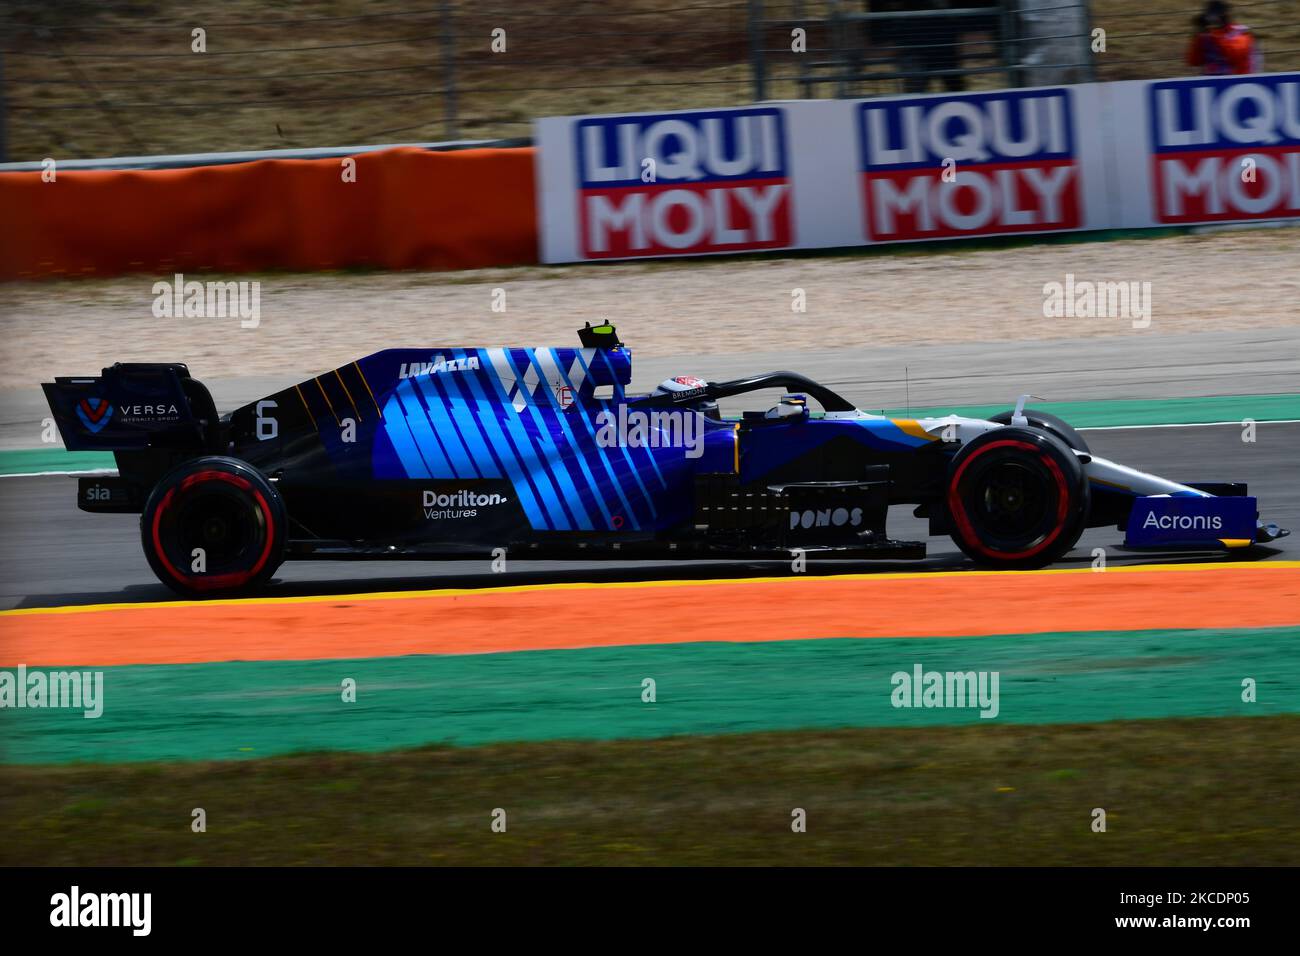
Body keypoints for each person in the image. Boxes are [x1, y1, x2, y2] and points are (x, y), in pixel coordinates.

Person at [1187, 1, 1262, 75]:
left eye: (1215, 16)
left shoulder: (1240, 32)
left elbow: (1235, 56)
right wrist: (1198, 33)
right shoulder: (1206, 35)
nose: (1213, 20)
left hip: (1238, 80)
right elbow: (1194, 61)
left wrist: (1217, 35)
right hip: (1211, 80)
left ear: (1225, 16)